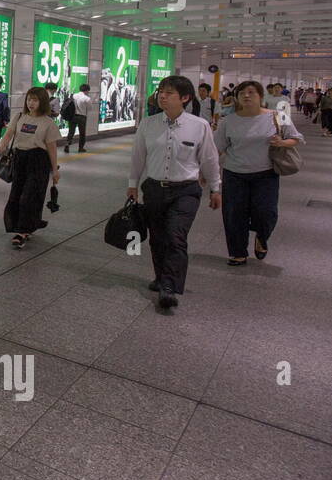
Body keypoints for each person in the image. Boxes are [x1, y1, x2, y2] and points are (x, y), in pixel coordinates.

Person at [127, 75, 221, 311]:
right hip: (154, 189)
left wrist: (216, 188)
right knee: (157, 237)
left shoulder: (199, 126)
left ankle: (169, 287)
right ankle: (161, 277)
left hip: (186, 190)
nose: (162, 96)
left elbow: (209, 159)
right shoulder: (148, 124)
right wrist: (132, 185)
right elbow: (138, 157)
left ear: (185, 98)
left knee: (175, 236)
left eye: (169, 93)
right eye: (161, 91)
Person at [213, 80, 304, 266]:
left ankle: (262, 236)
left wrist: (282, 143)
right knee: (234, 215)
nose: (246, 96)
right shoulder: (228, 121)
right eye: (241, 93)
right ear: (236, 98)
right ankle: (237, 252)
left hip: (266, 174)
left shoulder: (277, 116)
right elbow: (217, 149)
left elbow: (296, 138)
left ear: (261, 96)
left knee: (266, 213)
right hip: (234, 174)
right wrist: (208, 172)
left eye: (251, 92)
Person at [0, 86, 60, 250]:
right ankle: (25, 225)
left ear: (42, 102)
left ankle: (22, 232)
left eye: (35, 100)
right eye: (29, 99)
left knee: (30, 196)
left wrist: (55, 170)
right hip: (20, 159)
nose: (31, 103)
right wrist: (2, 145)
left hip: (38, 161)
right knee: (17, 194)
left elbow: (51, 148)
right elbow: (9, 134)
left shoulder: (48, 123)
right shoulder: (19, 117)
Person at [62, 83, 92, 153]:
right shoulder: (87, 98)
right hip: (82, 117)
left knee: (71, 131)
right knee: (82, 133)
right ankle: (80, 148)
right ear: (87, 90)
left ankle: (67, 144)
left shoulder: (73, 96)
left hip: (72, 116)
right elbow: (90, 108)